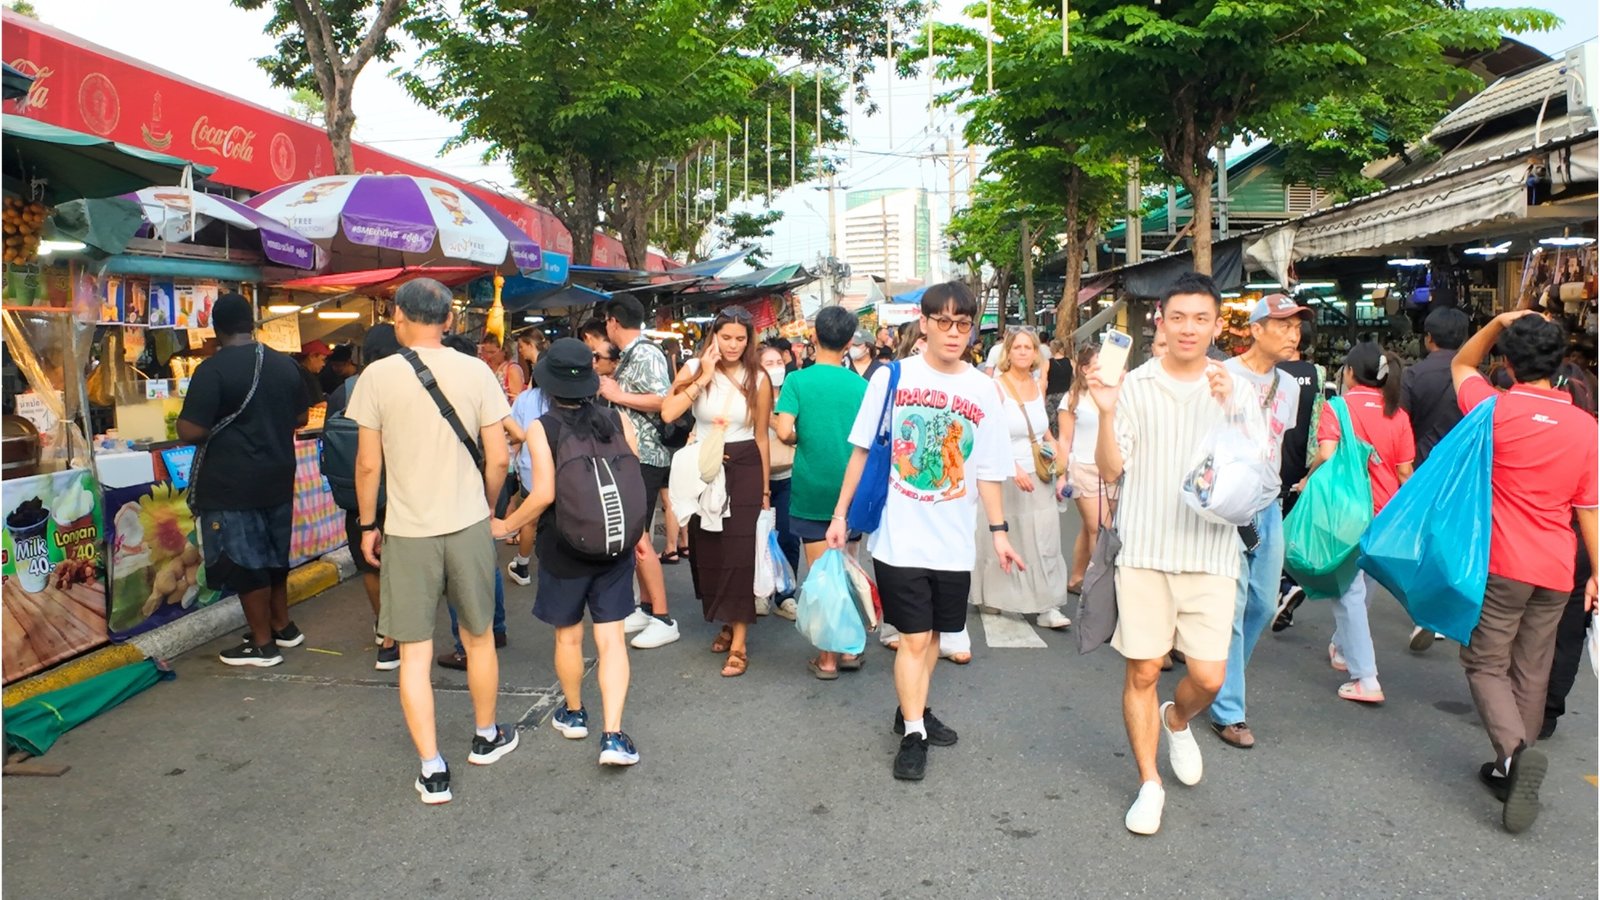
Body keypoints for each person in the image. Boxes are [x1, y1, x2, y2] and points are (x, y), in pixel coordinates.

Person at [827, 281, 1021, 782]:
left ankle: (911, 708)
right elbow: (863, 451)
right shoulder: (890, 378)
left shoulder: (983, 389)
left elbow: (989, 470)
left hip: (954, 541)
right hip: (900, 536)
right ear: (925, 322)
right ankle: (913, 731)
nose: (953, 332)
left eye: (963, 323)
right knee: (914, 638)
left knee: (935, 634)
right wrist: (840, 515)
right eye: (943, 321)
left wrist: (998, 532)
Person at [348, 278, 519, 804]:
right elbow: (499, 457)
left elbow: (369, 463)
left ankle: (432, 768)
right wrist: (485, 505)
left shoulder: (376, 376)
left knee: (415, 654)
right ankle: (486, 736)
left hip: (407, 530)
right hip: (468, 525)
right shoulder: (476, 371)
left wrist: (367, 524)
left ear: (399, 315)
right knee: (479, 638)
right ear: (448, 320)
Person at [1088, 272, 1246, 835]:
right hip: (1146, 551)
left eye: (1201, 318)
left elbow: (1257, 474)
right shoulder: (1133, 385)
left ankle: (1177, 720)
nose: (1188, 328)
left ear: (1216, 323)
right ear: (1161, 318)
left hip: (1211, 554)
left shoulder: (1236, 385)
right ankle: (1149, 783)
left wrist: (1233, 412)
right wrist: (1105, 410)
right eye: (1178, 317)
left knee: (1208, 677)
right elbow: (1110, 470)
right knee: (1144, 669)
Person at [1450, 311, 1597, 834]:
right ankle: (1512, 765)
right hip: (1557, 567)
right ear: (1560, 365)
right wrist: (1596, 573)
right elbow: (1589, 507)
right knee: (1531, 669)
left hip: (1501, 562)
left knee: (1486, 663)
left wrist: (1496, 323)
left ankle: (1513, 756)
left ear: (1507, 364)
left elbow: (1463, 362)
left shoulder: (1493, 408)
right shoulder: (1587, 425)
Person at [490, 338, 643, 767]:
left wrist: (506, 524)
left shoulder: (543, 427)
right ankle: (613, 736)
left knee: (569, 635)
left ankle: (574, 713)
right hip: (615, 543)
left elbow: (543, 495)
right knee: (612, 640)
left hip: (564, 544)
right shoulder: (617, 419)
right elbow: (631, 479)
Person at [178, 294, 311, 667]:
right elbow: (300, 418)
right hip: (278, 476)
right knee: (274, 558)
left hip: (233, 483)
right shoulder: (285, 365)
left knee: (246, 561)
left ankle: (263, 645)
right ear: (251, 324)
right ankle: (284, 627)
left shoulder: (213, 370)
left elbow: (190, 430)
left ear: (216, 328)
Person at [1208, 293, 1306, 751]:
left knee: (1264, 606)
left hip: (1269, 505)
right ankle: (1229, 708)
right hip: (1230, 508)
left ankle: (1219, 676)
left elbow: (1277, 445)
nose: (1293, 334)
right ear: (1256, 329)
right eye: (1284, 325)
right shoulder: (1222, 375)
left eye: (1297, 326)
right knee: (1233, 604)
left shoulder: (1290, 386)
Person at [661, 306, 773, 677]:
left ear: (749, 340)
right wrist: (704, 375)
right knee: (708, 549)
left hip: (744, 465)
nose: (733, 345)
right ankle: (726, 619)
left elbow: (761, 435)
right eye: (726, 337)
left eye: (741, 339)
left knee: (740, 552)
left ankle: (739, 642)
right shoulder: (695, 369)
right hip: (703, 467)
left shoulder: (759, 378)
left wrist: (765, 489)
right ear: (714, 335)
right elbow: (668, 412)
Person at [1301, 341, 1414, 704]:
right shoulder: (1397, 414)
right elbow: (1405, 472)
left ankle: (1366, 677)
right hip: (1386, 512)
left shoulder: (1339, 407)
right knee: (1362, 585)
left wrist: (1307, 478)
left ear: (1349, 373)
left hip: (1346, 512)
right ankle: (1342, 647)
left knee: (1349, 592)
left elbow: (1327, 453)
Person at [774, 306, 869, 678]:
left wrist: (803, 438)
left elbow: (783, 432)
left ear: (813, 337)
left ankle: (828, 657)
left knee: (822, 574)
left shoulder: (798, 382)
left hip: (812, 488)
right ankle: (849, 649)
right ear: (849, 342)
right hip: (852, 490)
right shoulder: (861, 385)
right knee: (846, 567)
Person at [597, 293, 680, 650]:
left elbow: (665, 401)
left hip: (645, 456)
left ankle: (663, 617)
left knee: (639, 539)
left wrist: (617, 396)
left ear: (613, 321)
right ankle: (647, 609)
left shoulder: (645, 353)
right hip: (632, 455)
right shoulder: (634, 354)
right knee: (636, 536)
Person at [973, 328, 1070, 628]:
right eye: (1018, 347)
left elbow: (1042, 429)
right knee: (1007, 537)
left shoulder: (1036, 384)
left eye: (1030, 347)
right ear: (1008, 352)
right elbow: (986, 434)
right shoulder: (995, 387)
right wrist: (1011, 466)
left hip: (1039, 471)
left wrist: (1060, 458)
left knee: (1045, 538)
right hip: (1005, 474)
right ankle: (995, 597)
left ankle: (1047, 604)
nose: (1024, 352)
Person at [325, 324, 403, 671]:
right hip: (404, 490)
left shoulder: (346, 390)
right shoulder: (411, 384)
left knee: (369, 560)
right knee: (403, 560)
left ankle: (385, 632)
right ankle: (402, 630)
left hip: (359, 494)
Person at [1543, 363, 1597, 739]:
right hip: (1585, 546)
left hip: (1551, 537)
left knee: (1531, 626)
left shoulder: (1555, 430)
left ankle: (1521, 701)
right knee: (1570, 631)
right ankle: (1549, 711)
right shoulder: (1592, 432)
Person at [1271, 321, 1324, 632]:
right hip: (1302, 463)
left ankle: (1279, 585)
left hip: (1271, 461)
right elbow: (1319, 416)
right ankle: (1287, 582)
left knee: (1265, 527)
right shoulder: (1317, 373)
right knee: (1292, 525)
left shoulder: (1271, 371)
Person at [1057, 342, 1114, 596]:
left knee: (1089, 527)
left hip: (1114, 468)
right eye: (1096, 366)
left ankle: (1077, 576)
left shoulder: (1119, 393)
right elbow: (1064, 441)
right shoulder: (1072, 399)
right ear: (1083, 369)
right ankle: (1099, 588)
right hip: (1084, 469)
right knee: (1100, 529)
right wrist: (1061, 475)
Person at [504, 328, 551, 586]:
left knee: (530, 517)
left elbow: (516, 434)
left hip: (531, 466)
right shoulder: (564, 400)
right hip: (559, 465)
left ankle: (523, 566)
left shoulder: (523, 400)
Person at [760, 343, 802, 620]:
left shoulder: (792, 393)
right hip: (756, 476)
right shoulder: (748, 395)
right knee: (759, 539)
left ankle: (785, 595)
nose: (775, 367)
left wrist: (775, 421)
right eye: (769, 362)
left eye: (778, 362)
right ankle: (760, 593)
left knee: (788, 536)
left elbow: (799, 433)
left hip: (788, 475)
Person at [1402, 307, 1469, 466]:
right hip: (1463, 468)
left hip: (1421, 467)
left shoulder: (1411, 375)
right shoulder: (1478, 379)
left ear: (1429, 338)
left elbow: (1401, 426)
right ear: (1464, 339)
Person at [479, 334, 526, 406]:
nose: (488, 356)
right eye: (485, 352)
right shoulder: (484, 368)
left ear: (504, 351)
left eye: (492, 352)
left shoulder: (512, 369)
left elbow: (517, 401)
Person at [1043, 338, 1074, 439]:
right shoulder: (1071, 362)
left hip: (1051, 397)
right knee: (1066, 422)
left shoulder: (1047, 363)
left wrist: (1043, 399)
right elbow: (1078, 379)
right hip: (1066, 396)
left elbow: (1043, 382)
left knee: (1052, 423)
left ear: (1051, 349)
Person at [295, 339, 329, 406]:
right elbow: (319, 406)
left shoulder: (292, 372)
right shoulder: (309, 379)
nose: (324, 364)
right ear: (312, 356)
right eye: (323, 359)